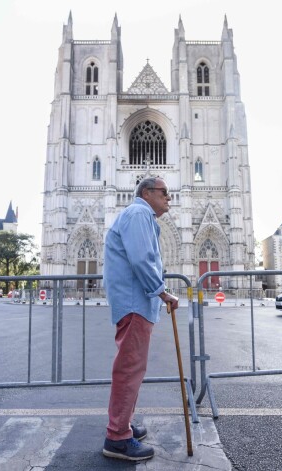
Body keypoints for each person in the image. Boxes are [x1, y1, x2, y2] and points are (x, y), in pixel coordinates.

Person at [102, 176, 179, 462]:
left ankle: (123, 424)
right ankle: (117, 438)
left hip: (137, 303)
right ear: (147, 193)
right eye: (164, 193)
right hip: (135, 302)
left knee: (133, 369)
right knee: (129, 369)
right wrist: (163, 293)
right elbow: (141, 259)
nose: (169, 198)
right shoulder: (138, 213)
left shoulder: (141, 215)